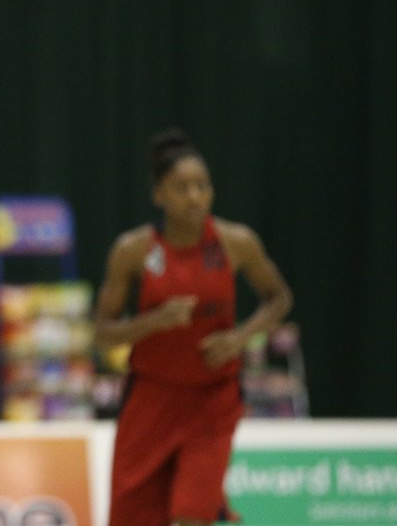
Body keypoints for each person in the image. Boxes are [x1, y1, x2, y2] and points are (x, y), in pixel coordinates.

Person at [94, 129, 293, 526]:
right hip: (151, 400)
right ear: (159, 195)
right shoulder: (133, 250)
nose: (195, 196)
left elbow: (279, 298)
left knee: (192, 517)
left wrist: (240, 338)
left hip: (212, 400)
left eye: (202, 186)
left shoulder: (236, 242)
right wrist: (153, 322)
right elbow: (102, 332)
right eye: (182, 188)